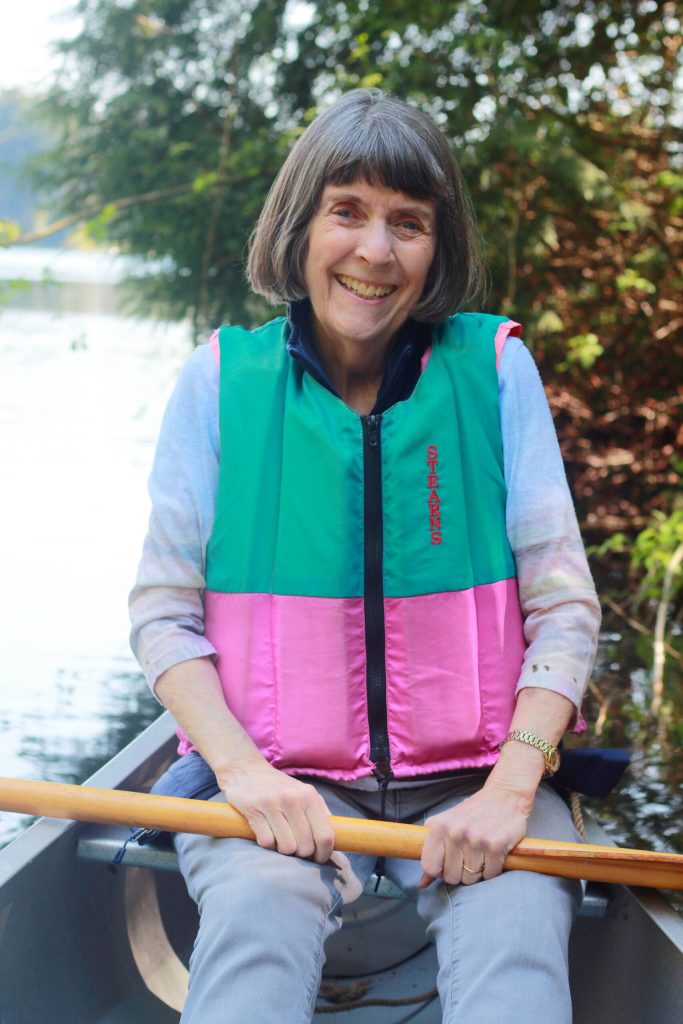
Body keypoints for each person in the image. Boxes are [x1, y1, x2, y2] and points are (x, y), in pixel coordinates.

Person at [129, 88, 601, 1023]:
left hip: (476, 782)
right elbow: (160, 614)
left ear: (438, 249)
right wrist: (245, 774)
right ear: (300, 226)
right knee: (258, 922)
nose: (375, 252)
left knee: (514, 956)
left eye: (408, 223)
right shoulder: (219, 381)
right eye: (346, 211)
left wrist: (513, 788)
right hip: (270, 777)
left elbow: (563, 608)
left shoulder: (498, 370)